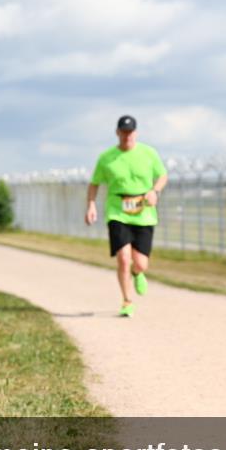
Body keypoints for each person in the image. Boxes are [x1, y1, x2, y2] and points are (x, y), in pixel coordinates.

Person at [85, 115, 168, 318]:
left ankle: (138, 272)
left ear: (136, 133)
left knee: (140, 262)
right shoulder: (107, 158)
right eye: (123, 132)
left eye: (130, 132)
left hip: (144, 214)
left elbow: (163, 176)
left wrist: (155, 191)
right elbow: (94, 183)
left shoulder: (149, 153)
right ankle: (127, 301)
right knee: (123, 258)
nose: (127, 136)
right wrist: (91, 205)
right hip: (117, 212)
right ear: (117, 133)